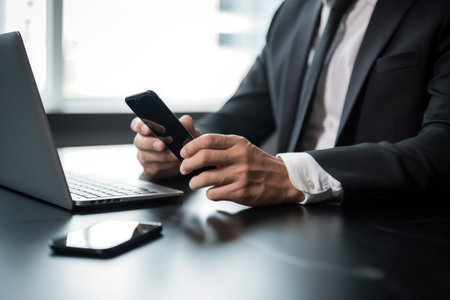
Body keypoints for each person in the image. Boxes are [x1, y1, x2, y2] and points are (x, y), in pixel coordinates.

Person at [131, 0, 450, 206]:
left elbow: (441, 148)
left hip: (391, 228)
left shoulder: (436, 9)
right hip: (286, 224)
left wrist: (291, 175)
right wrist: (190, 148)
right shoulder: (291, 13)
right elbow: (244, 111)